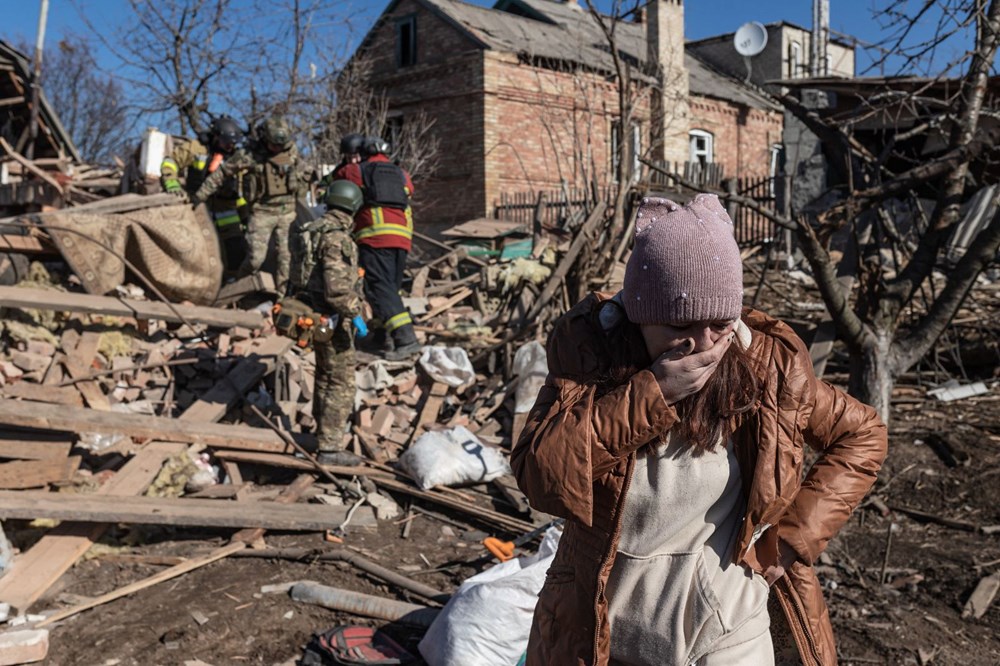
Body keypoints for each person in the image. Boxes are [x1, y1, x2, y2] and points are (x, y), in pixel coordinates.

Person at [511, 194, 887, 666]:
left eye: (720, 323)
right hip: (606, 632)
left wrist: (793, 537)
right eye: (680, 325)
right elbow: (539, 477)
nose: (704, 343)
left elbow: (864, 434)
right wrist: (653, 394)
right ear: (641, 316)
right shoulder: (588, 360)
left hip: (728, 627)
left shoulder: (766, 368)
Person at [286, 179, 365, 466]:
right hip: (332, 320)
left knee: (323, 375)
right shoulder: (337, 238)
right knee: (341, 383)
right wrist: (356, 314)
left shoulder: (308, 230)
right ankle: (330, 447)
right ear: (354, 206)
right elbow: (337, 289)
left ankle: (320, 436)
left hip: (311, 316)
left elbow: (293, 274)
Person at [194, 115, 305, 294]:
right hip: (262, 211)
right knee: (255, 258)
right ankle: (237, 291)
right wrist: (199, 197)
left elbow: (303, 173)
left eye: (281, 146)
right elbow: (222, 174)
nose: (278, 149)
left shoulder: (291, 151)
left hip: (287, 211)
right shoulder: (250, 155)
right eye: (274, 145)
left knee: (286, 257)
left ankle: (283, 298)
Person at [340, 136, 419, 360]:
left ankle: (406, 338)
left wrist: (346, 163)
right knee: (389, 290)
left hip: (375, 238)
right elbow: (409, 190)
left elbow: (339, 180)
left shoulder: (357, 170)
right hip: (402, 239)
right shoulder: (401, 173)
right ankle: (381, 336)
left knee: (379, 288)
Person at [161, 115, 248, 275]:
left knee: (235, 248)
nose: (229, 146)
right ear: (215, 137)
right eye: (225, 142)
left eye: (232, 143)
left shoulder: (237, 157)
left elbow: (241, 190)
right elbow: (171, 161)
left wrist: (245, 215)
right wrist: (171, 182)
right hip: (198, 205)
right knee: (197, 248)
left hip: (227, 209)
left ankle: (233, 284)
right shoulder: (196, 148)